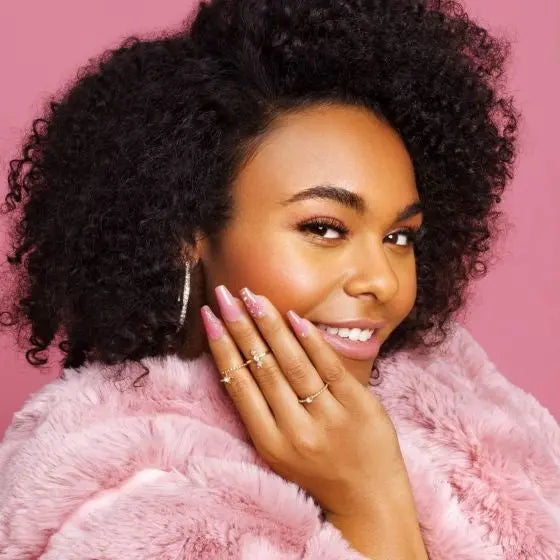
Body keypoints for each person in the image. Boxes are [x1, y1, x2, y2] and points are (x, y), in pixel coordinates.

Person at [0, 0, 558, 558]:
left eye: (399, 236)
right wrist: (370, 500)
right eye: (325, 228)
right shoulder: (127, 499)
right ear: (187, 231)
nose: (383, 282)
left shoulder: (463, 408)